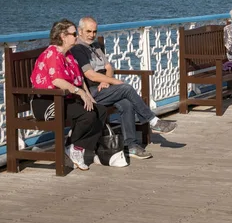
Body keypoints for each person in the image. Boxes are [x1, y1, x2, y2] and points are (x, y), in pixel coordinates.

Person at [71, 17, 177, 160]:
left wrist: (107, 81)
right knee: (126, 88)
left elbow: (108, 67)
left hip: (104, 87)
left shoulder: (95, 46)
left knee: (126, 104)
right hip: (91, 92)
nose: (91, 35)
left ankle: (131, 146)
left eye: (94, 31)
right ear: (80, 31)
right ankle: (153, 121)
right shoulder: (78, 49)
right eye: (88, 31)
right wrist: (113, 81)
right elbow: (90, 75)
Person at [30, 19, 107, 171]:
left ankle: (75, 147)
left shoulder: (69, 55)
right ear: (63, 36)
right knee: (88, 115)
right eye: (73, 34)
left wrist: (87, 94)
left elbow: (79, 78)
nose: (76, 37)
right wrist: (79, 92)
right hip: (47, 101)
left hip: (65, 98)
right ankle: (74, 148)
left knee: (100, 111)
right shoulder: (53, 54)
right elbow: (57, 80)